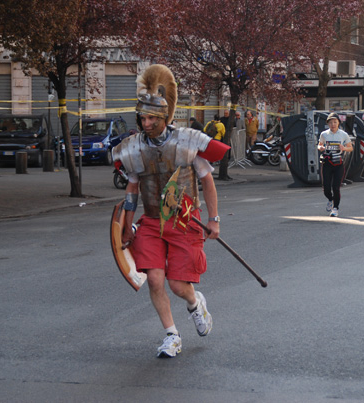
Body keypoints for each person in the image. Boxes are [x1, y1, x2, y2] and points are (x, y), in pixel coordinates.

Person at [112, 64, 228, 358]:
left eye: (151, 118)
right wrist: (126, 225)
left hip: (186, 220)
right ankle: (171, 335)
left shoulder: (187, 142)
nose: (145, 122)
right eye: (143, 117)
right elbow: (132, 190)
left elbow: (207, 182)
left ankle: (195, 303)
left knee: (178, 284)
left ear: (164, 118)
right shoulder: (133, 148)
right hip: (151, 221)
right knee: (153, 278)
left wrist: (214, 220)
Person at [317, 113, 353, 217]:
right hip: (327, 163)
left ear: (338, 123)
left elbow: (350, 148)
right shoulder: (324, 134)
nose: (333, 124)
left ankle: (335, 208)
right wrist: (321, 148)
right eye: (331, 122)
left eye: (335, 122)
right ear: (328, 123)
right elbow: (319, 145)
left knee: (336, 187)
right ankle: (330, 199)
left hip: (338, 163)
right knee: (326, 188)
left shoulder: (343, 134)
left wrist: (344, 148)